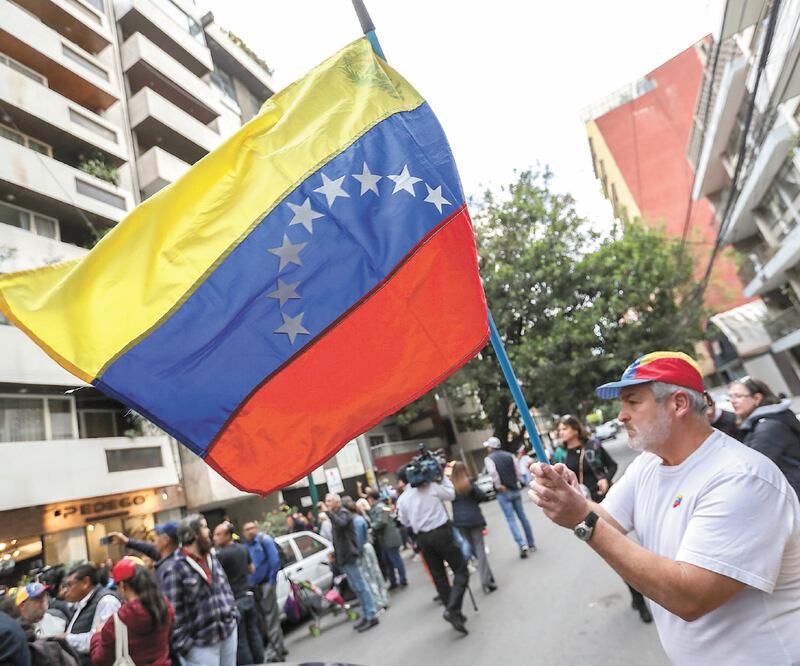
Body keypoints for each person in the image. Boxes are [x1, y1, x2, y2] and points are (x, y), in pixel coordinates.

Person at [530, 351, 800, 664]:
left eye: (633, 402)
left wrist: (581, 519)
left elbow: (690, 597)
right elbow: (608, 519)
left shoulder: (741, 478)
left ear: (679, 403)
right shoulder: (649, 464)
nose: (621, 416)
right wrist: (571, 496)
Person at [557, 414, 650, 623]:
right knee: (613, 557)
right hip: (584, 508)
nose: (560, 432)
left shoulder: (593, 445)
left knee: (621, 552)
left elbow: (613, 465)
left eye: (563, 428)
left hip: (605, 504)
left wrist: (605, 480)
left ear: (574, 429)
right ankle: (637, 595)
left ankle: (641, 601)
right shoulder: (561, 454)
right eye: (559, 429)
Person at [396, 465, 469, 635]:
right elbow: (451, 494)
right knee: (461, 570)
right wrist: (442, 477)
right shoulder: (432, 487)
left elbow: (405, 522)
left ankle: (454, 613)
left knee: (439, 577)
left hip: (423, 539)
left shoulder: (403, 499)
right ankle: (453, 608)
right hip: (442, 533)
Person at [160, 514, 239, 665]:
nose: (208, 531)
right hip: (200, 646)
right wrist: (185, 646)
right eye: (204, 527)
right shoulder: (175, 568)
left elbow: (225, 588)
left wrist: (234, 615)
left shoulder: (211, 558)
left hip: (228, 633)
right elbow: (172, 613)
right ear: (193, 534)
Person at [90, 557, 174, 666]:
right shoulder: (165, 606)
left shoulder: (117, 621)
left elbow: (99, 660)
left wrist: (97, 636)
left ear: (122, 586)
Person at [729, 376, 800, 497]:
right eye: (730, 396)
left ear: (757, 398)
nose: (733, 400)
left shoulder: (767, 428)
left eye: (738, 396)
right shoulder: (766, 420)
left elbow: (755, 469)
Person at [324, 493, 379, 632]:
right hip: (343, 557)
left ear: (337, 502)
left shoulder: (343, 513)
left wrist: (329, 514)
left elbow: (341, 524)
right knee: (356, 587)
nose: (327, 503)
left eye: (329, 501)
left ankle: (371, 614)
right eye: (326, 501)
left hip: (349, 556)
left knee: (360, 585)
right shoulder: (337, 515)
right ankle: (366, 615)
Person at [213, 522, 263, 666]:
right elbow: (251, 570)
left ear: (228, 535)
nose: (215, 538)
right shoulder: (242, 549)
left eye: (218, 534)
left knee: (241, 640)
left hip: (235, 600)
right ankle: (261, 662)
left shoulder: (220, 556)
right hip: (248, 595)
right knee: (253, 633)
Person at [483, 436, 536, 557]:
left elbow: (493, 473)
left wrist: (498, 485)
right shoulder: (510, 455)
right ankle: (531, 543)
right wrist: (516, 482)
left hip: (503, 492)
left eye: (488, 446)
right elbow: (517, 472)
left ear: (491, 447)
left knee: (511, 519)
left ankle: (522, 544)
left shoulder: (489, 459)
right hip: (514, 488)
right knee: (522, 517)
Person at [241, 521, 287, 663]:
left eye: (252, 528)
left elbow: (274, 561)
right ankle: (280, 647)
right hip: (255, 588)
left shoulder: (264, 540)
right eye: (247, 529)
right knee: (267, 619)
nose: (250, 531)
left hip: (267, 584)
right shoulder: (245, 546)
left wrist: (271, 583)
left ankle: (275, 651)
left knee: (270, 618)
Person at [60, 564, 121, 666]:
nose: (67, 590)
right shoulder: (83, 602)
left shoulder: (107, 601)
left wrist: (66, 638)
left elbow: (102, 640)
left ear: (85, 582)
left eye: (70, 585)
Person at [450, 461, 496, 594]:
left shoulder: (451, 487)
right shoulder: (468, 483)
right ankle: (486, 580)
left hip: (460, 522)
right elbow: (482, 495)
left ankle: (488, 576)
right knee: (480, 549)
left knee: (476, 550)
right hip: (474, 519)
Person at [347, 497, 389, 611]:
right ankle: (383, 599)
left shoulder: (357, 521)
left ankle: (380, 602)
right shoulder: (362, 517)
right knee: (376, 574)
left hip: (369, 548)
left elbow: (383, 522)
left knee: (371, 576)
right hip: (372, 546)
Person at [107, 521, 180, 584]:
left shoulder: (170, 569)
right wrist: (127, 541)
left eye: (158, 535)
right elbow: (149, 549)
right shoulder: (171, 559)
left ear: (166, 540)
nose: (155, 539)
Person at [365, 488, 407, 589]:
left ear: (372, 499)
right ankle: (393, 581)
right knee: (388, 561)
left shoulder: (382, 507)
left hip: (390, 538)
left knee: (395, 559)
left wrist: (371, 526)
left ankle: (402, 579)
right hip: (385, 540)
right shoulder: (379, 507)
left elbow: (382, 522)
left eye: (369, 499)